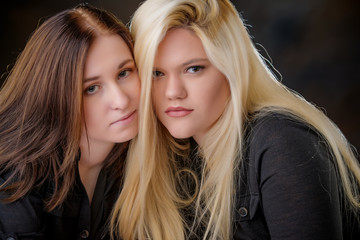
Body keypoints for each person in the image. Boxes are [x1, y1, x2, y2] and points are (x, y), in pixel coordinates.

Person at [110, 0, 360, 239]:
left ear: (229, 67)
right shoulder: (178, 158)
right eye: (156, 73)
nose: (173, 91)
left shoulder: (283, 143)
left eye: (194, 68)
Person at [0, 4, 140, 240]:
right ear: (56, 96)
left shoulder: (146, 153)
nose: (121, 100)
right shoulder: (16, 178)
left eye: (124, 73)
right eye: (92, 88)